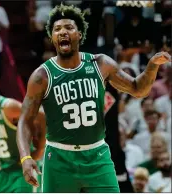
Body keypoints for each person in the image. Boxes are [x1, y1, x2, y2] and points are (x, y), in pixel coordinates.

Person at [16, 4, 171, 193]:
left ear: (80, 34)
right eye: (57, 29)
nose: (63, 32)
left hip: (97, 155)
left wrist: (152, 66)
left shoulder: (100, 64)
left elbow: (138, 89)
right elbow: (25, 120)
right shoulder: (42, 76)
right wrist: (25, 157)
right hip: (59, 158)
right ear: (52, 38)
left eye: (69, 28)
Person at [0, 79, 46, 193]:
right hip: (4, 171)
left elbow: (41, 115)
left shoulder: (8, 107)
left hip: (23, 169)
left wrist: (40, 149)